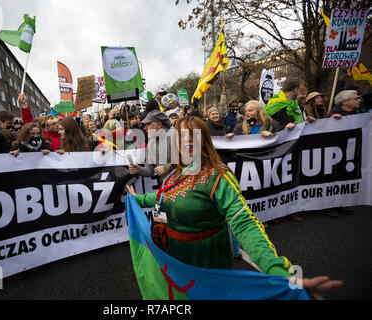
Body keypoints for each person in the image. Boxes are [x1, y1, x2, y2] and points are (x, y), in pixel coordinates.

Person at [126, 115, 343, 298]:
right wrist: (138, 199)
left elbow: (244, 222)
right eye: (182, 135)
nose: (187, 140)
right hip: (174, 260)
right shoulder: (174, 173)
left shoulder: (218, 176)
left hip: (207, 263)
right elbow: (163, 196)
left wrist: (277, 270)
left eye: (194, 135)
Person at [128, 109, 171, 177]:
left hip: (184, 183)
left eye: (148, 124)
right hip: (167, 184)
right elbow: (149, 171)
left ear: (159, 124)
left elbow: (188, 162)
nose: (145, 128)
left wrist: (165, 168)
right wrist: (138, 169)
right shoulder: (151, 144)